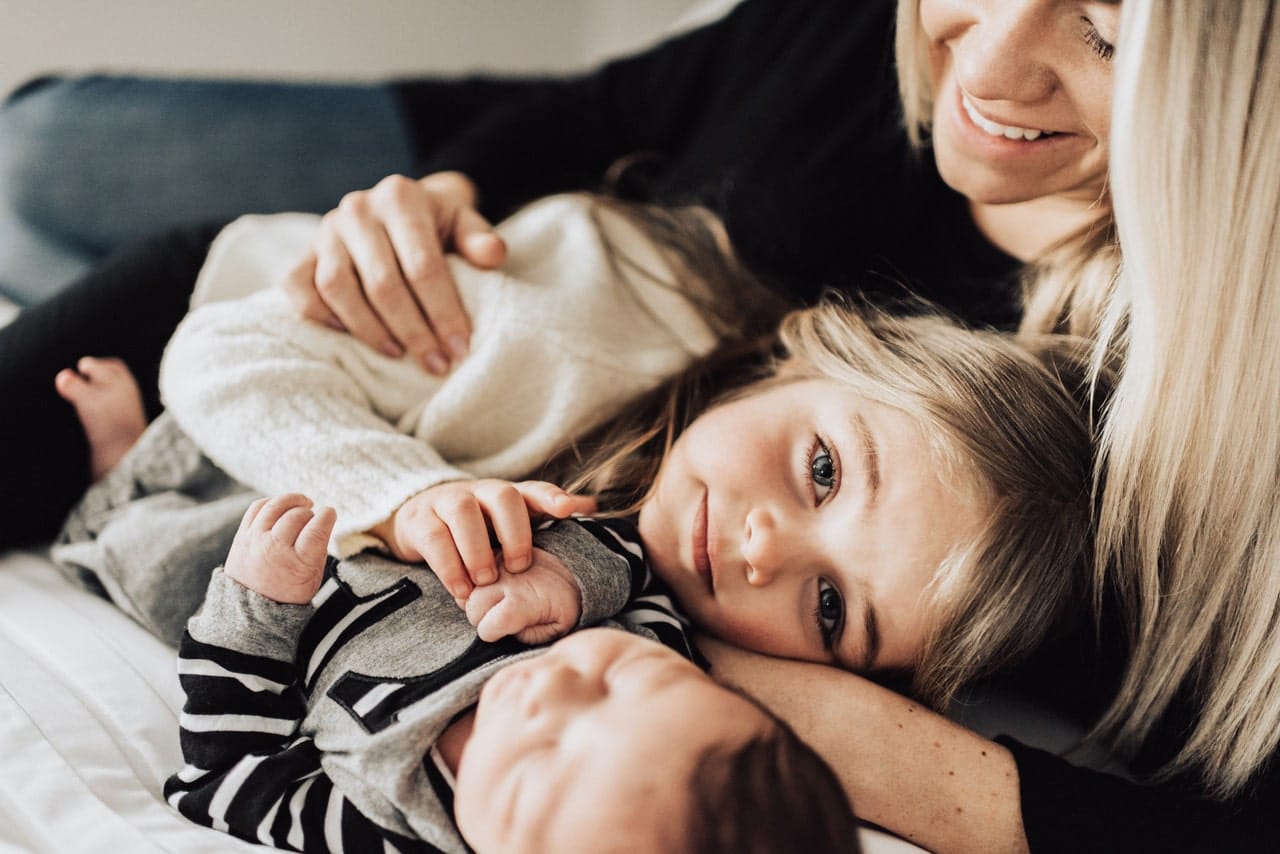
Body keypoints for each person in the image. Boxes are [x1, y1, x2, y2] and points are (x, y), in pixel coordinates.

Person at [4, 0, 1279, 849]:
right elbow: (612, 121)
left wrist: (802, 721)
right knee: (41, 152)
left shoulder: (1128, 449)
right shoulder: (621, 311)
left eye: (1110, 36)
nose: (985, 68)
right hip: (513, 252)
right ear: (810, 347)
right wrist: (447, 201)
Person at [53, 192, 1095, 716]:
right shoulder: (562, 334)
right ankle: (137, 465)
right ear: (805, 354)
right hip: (243, 336)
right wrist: (413, 494)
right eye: (822, 468)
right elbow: (228, 350)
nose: (764, 550)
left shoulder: (662, 641)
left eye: (829, 607)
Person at [164, 491, 860, 853]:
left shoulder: (389, 824)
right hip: (388, 516)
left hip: (256, 593)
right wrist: (567, 576)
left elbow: (222, 775)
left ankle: (115, 484)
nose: (547, 688)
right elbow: (638, 558)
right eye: (617, 679)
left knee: (159, 553)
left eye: (539, 767)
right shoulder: (661, 644)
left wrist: (255, 607)